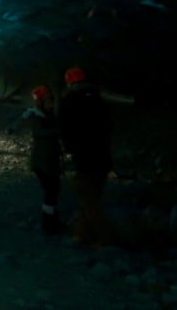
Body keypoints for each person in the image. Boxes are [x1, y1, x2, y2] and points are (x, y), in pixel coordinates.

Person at [59, 66, 113, 247]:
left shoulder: (69, 102)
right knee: (91, 196)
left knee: (87, 198)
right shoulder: (99, 100)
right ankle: (81, 234)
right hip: (103, 156)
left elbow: (65, 130)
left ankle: (104, 238)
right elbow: (108, 127)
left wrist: (68, 151)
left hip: (84, 157)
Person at [22, 85, 63, 234]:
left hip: (48, 158)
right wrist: (59, 130)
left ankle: (50, 220)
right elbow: (38, 133)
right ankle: (49, 223)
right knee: (51, 190)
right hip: (43, 160)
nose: (51, 102)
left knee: (53, 189)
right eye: (48, 99)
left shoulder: (47, 114)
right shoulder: (37, 116)